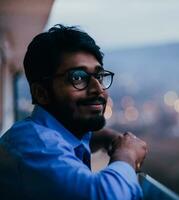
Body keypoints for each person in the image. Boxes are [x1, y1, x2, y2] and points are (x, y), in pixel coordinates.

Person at [0, 24, 148, 200]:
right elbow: (106, 196)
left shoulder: (45, 133)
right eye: (77, 77)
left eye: (99, 76)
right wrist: (126, 154)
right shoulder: (33, 142)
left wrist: (99, 137)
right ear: (41, 93)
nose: (98, 89)